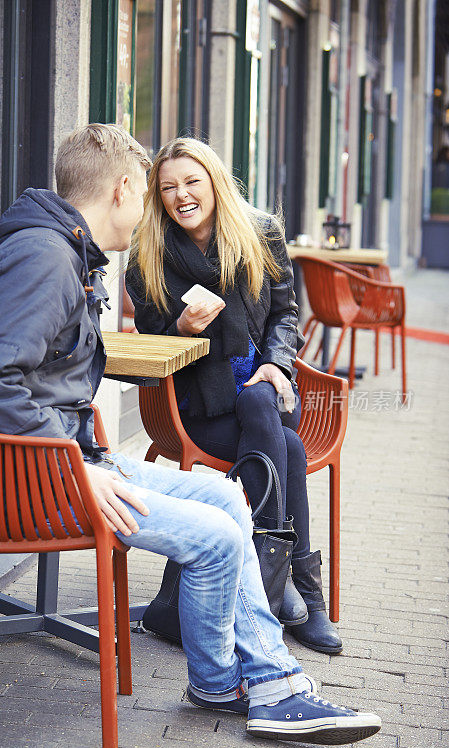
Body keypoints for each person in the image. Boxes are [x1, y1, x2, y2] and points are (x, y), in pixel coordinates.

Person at [0, 123, 380, 746]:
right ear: (125, 187)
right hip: (29, 480)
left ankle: (222, 682)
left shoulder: (44, 246)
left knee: (227, 500)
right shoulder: (46, 258)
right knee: (218, 536)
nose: (148, 213)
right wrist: (71, 460)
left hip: (46, 462)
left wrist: (52, 408)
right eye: (147, 194)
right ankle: (271, 690)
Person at [126, 137, 341, 655]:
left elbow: (286, 314)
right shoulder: (149, 256)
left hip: (264, 392)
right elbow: (151, 349)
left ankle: (276, 578)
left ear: (215, 182)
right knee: (286, 447)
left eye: (191, 182)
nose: (181, 196)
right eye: (169, 187)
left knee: (259, 401)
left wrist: (274, 363)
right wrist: (181, 327)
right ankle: (298, 593)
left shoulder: (261, 234)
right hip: (198, 411)